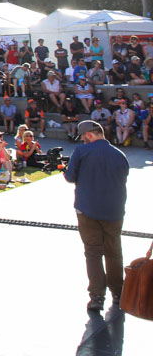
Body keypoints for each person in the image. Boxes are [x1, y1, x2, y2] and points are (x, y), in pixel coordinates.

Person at [65, 120, 130, 311]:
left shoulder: (81, 152)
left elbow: (70, 177)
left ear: (90, 135)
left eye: (84, 137)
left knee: (93, 253)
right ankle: (118, 293)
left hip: (87, 210)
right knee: (114, 251)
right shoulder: (120, 155)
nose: (83, 140)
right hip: (114, 211)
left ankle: (97, 297)